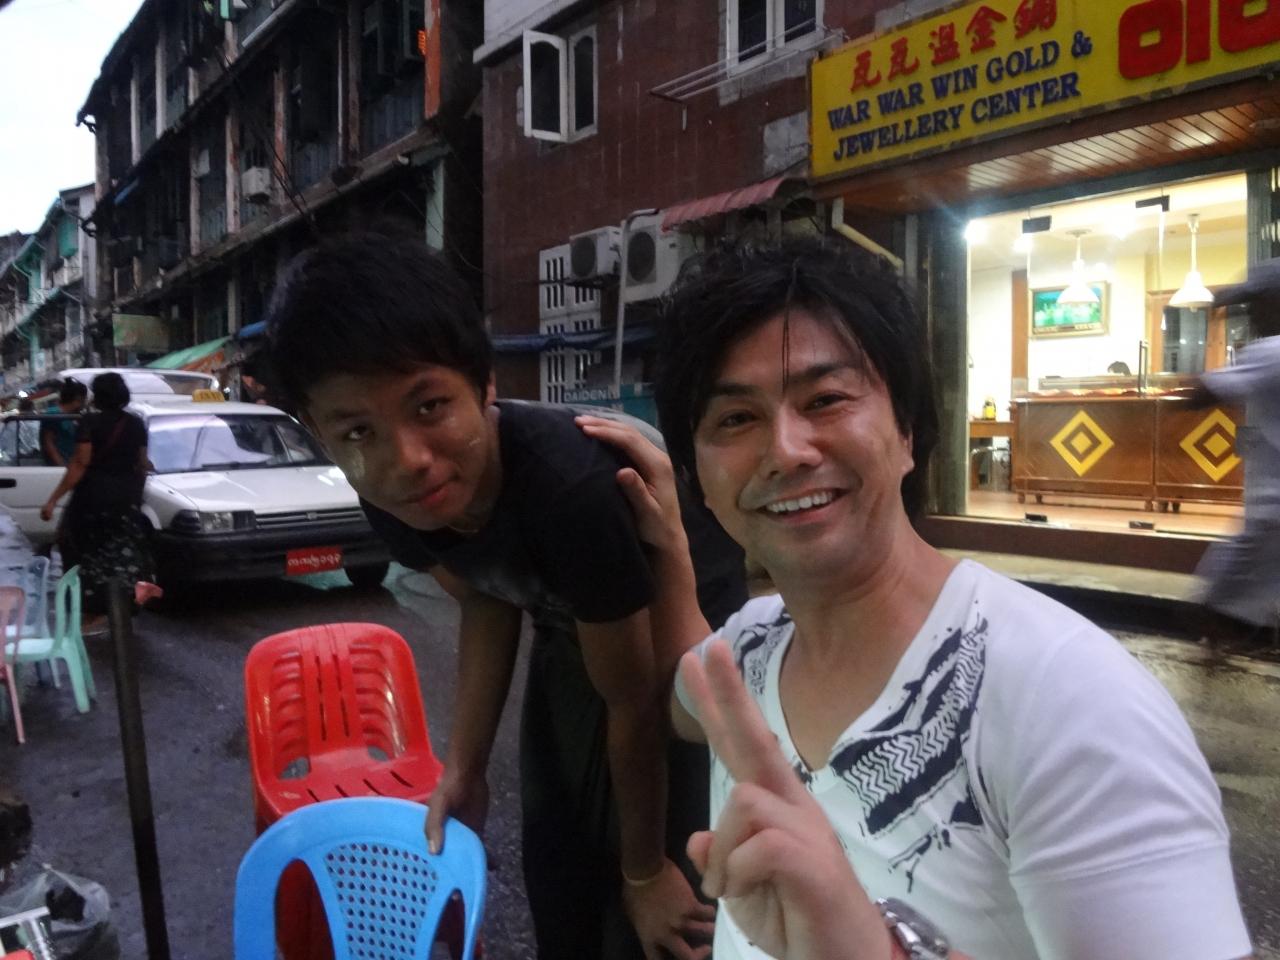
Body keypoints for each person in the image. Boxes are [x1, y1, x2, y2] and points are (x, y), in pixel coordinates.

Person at [578, 239, 1252, 960]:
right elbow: (684, 688)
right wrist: (668, 546)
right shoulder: (751, 648)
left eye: (826, 400)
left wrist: (878, 950)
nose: (786, 449)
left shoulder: (1068, 697)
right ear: (701, 481)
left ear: (906, 431)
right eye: (735, 420)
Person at [262, 230, 748, 960]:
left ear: (485, 385)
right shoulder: (390, 489)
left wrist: (647, 872)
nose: (408, 459)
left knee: (669, 887)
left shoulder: (573, 490)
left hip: (672, 615)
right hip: (568, 614)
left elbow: (635, 701)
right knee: (556, 849)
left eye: (430, 407)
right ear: (323, 436)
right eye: (358, 430)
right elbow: (487, 594)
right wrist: (465, 769)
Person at [1191, 258, 1280, 640]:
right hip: (1265, 507)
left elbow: (1198, 396)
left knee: (1211, 607)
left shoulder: (1269, 351)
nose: (1250, 314)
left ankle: (1208, 672)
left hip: (1271, 511)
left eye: (1254, 304)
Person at [40, 373, 153, 633]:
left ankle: (90, 611)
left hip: (92, 499)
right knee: (122, 553)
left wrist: (53, 500)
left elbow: (80, 464)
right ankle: (124, 603)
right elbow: (142, 464)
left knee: (79, 551)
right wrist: (135, 495)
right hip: (126, 499)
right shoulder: (135, 423)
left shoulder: (90, 422)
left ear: (97, 396)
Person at [40, 378, 88, 467]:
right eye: (85, 399)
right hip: (59, 466)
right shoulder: (53, 414)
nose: (85, 403)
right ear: (78, 399)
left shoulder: (74, 415)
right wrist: (61, 464)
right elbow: (49, 443)